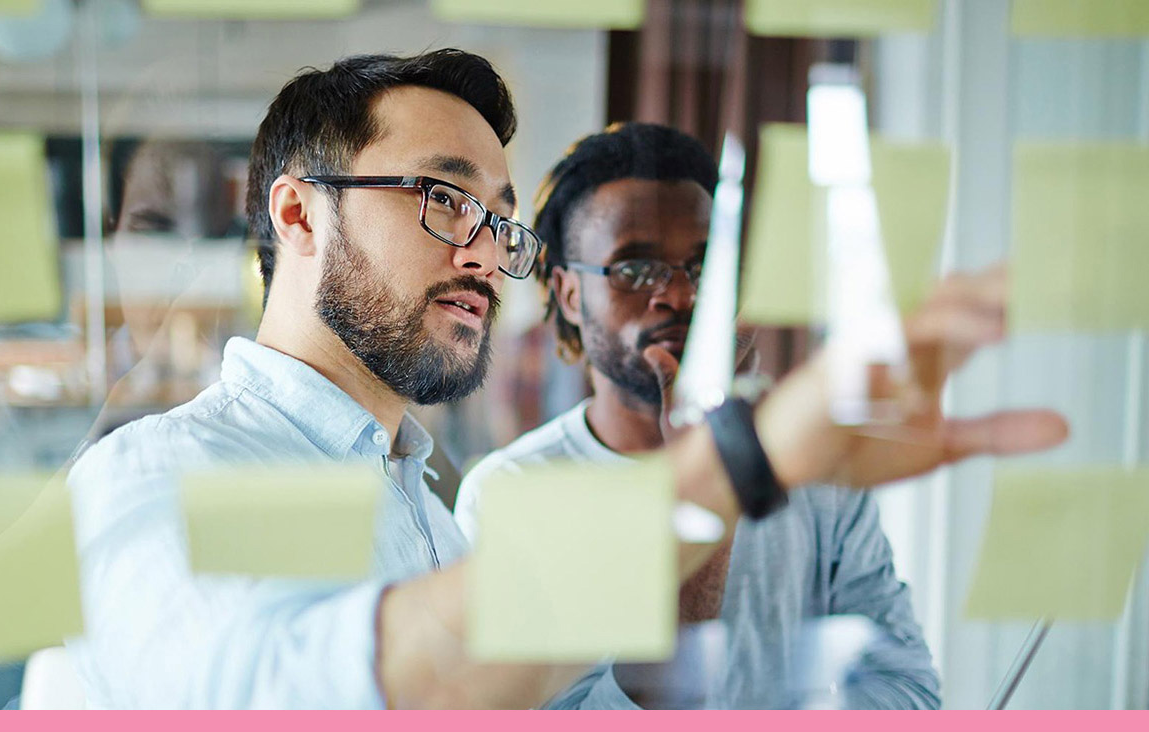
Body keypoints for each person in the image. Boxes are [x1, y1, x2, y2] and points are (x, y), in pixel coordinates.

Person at [64, 50, 1066, 709]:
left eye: (499, 221)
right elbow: (282, 695)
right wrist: (742, 461)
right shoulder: (158, 473)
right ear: (297, 216)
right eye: (444, 198)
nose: (486, 257)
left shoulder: (427, 516)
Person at [454, 123, 937, 708]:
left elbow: (907, 689)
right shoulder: (513, 493)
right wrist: (701, 501)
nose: (681, 296)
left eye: (706, 267)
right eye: (635, 270)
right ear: (570, 294)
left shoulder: (815, 475)